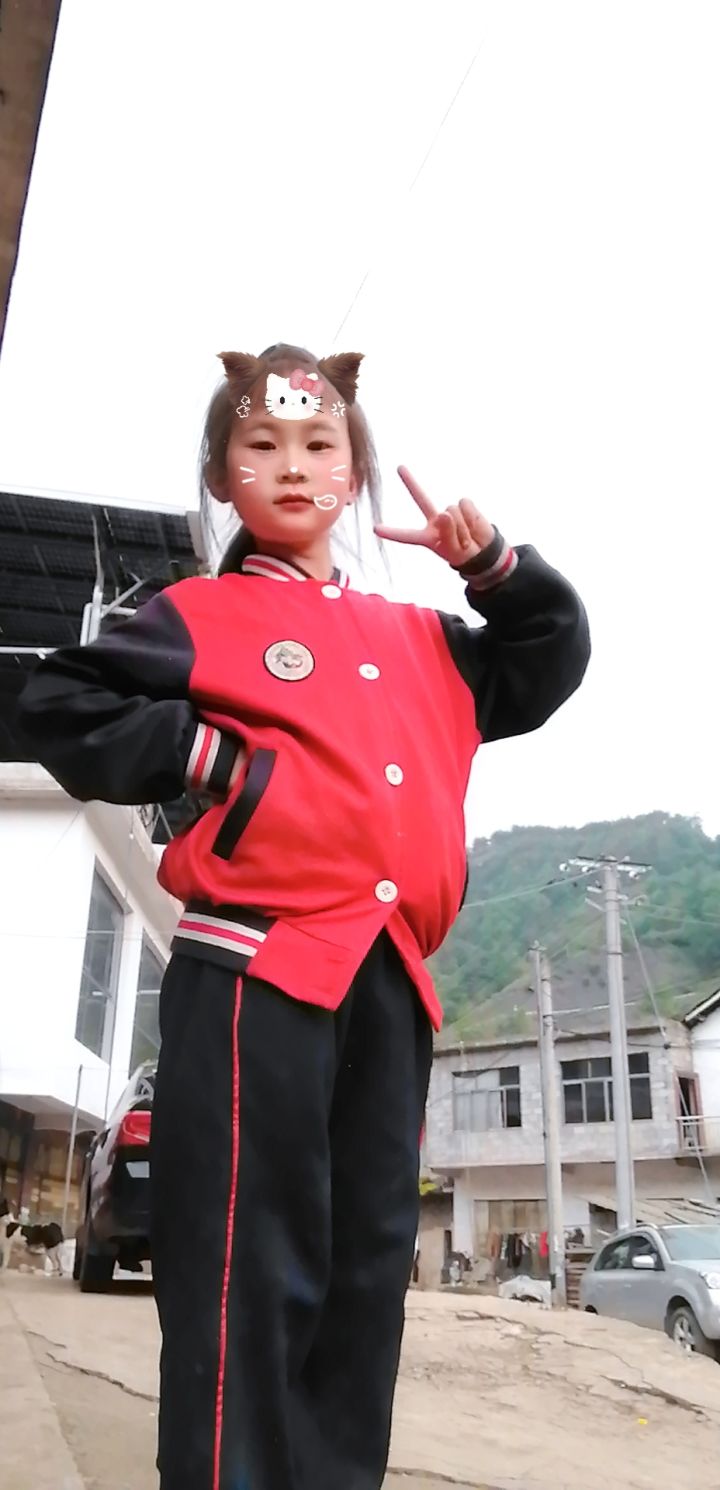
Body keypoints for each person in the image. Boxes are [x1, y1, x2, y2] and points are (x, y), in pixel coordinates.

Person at [18, 343, 590, 1490]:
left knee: (364, 1279)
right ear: (222, 475)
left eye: (320, 442)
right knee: (245, 1271)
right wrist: (213, 759)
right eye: (261, 443)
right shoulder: (198, 612)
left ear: (353, 473)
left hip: (392, 984)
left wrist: (492, 565)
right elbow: (59, 698)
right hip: (255, 972)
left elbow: (546, 658)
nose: (291, 463)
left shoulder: (422, 639)